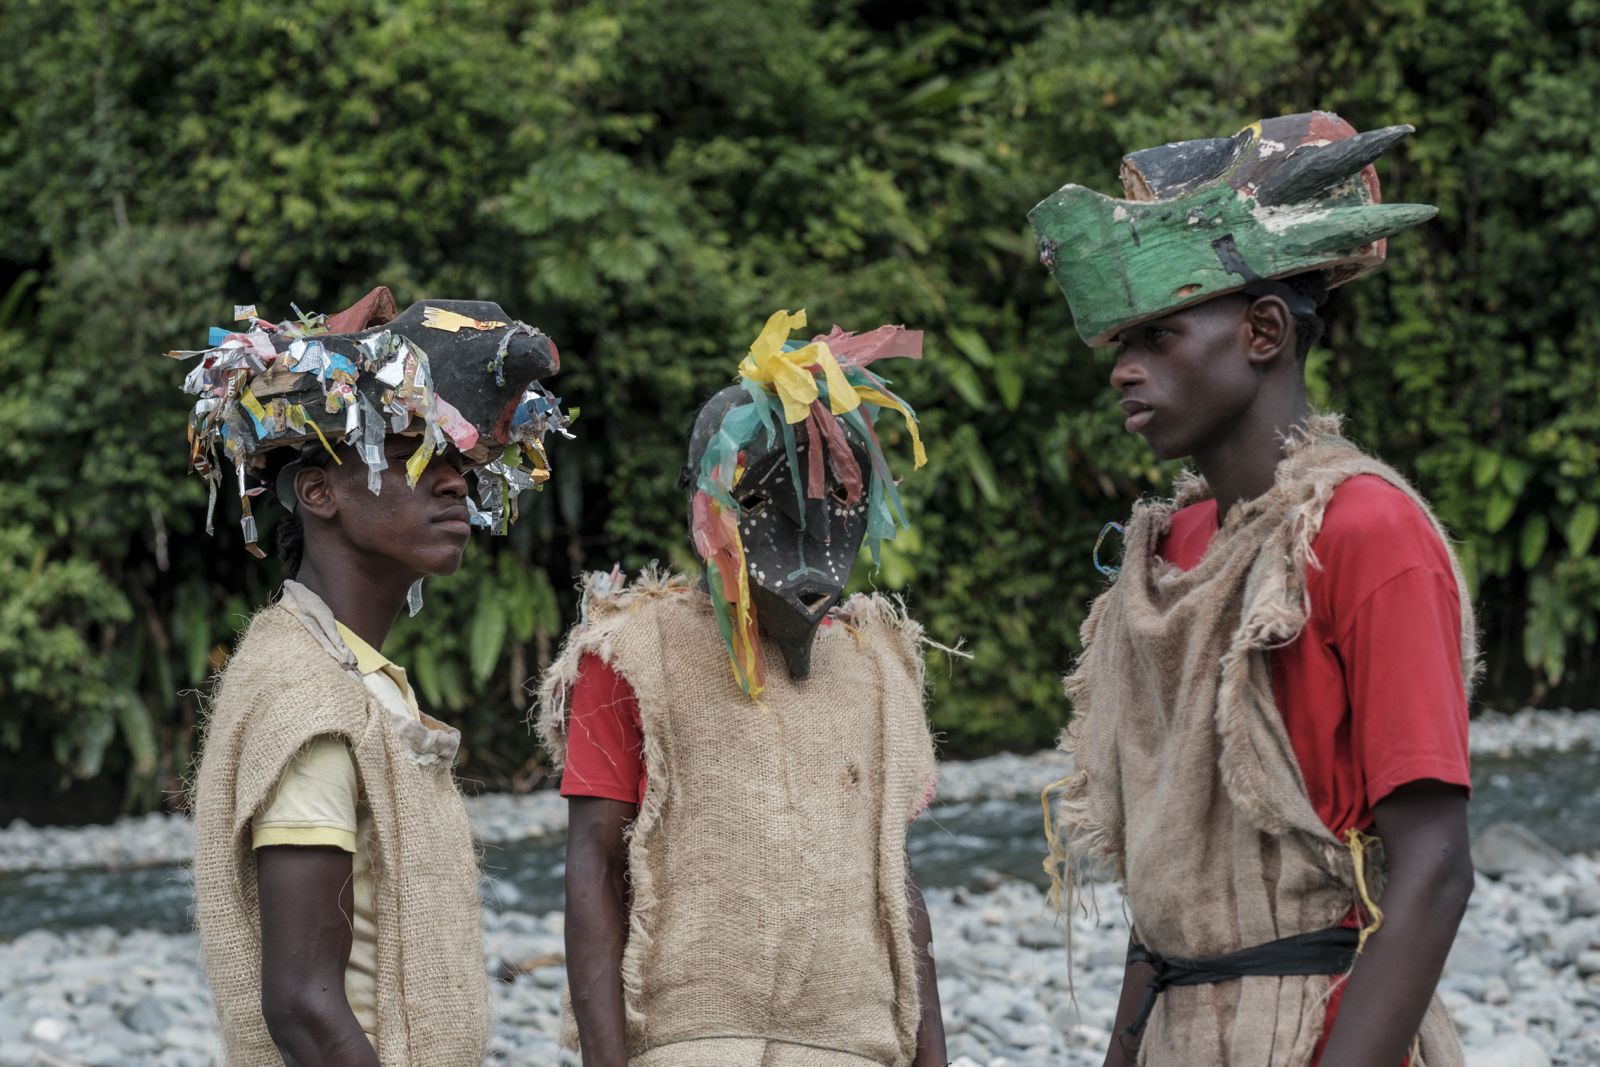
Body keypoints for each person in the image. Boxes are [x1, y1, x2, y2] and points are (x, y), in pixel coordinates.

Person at [1031, 113, 1476, 1067]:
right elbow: (1166, 894)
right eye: (1119, 338)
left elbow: (1435, 868)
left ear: (1263, 329)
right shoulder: (1172, 547)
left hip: (1321, 1027)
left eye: (1157, 332)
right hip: (1176, 1033)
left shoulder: (1366, 531)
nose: (1121, 366)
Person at [535, 310, 948, 1067]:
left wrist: (932, 1056)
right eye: (765, 502)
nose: (811, 535)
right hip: (692, 1038)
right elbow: (593, 865)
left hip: (850, 1040)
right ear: (709, 508)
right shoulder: (633, 655)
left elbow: (897, 875)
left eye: (834, 503)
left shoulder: (877, 666)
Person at [180, 287, 569, 1065]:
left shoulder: (348, 674)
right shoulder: (309, 699)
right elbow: (302, 1001)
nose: (455, 481)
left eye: (459, 460)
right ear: (318, 493)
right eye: (409, 455)